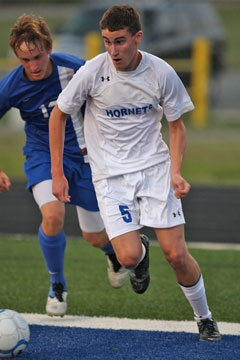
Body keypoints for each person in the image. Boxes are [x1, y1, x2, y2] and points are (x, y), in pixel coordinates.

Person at [49, 5, 221, 341]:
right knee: (127, 257)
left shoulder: (161, 72)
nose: (113, 50)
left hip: (155, 169)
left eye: (120, 41)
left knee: (176, 254)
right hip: (111, 176)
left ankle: (205, 318)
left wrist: (176, 171)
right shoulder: (92, 72)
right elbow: (58, 115)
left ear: (137, 38)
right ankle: (140, 256)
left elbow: (177, 127)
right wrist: (58, 172)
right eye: (107, 41)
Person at [0, 13, 129, 318]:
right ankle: (57, 284)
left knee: (95, 236)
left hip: (85, 158)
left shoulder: (75, 67)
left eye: (38, 56)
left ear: (49, 46)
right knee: (53, 214)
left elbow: (108, 103)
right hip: (42, 155)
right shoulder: (11, 86)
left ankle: (112, 254)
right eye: (24, 59)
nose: (32, 66)